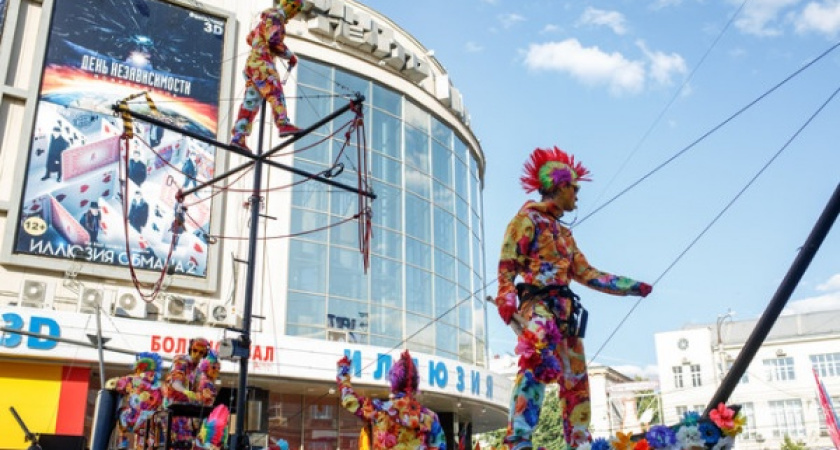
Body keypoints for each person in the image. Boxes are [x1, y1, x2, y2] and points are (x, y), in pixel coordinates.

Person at [495, 146, 653, 450]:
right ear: (560, 186)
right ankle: (519, 440)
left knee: (577, 379)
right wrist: (506, 301)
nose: (577, 195)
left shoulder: (564, 235)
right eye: (574, 188)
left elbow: (588, 273)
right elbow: (507, 267)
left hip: (566, 315)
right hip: (538, 307)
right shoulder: (526, 220)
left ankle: (579, 441)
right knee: (536, 359)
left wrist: (631, 286)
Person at [337, 350, 447, 450]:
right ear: (415, 384)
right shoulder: (430, 417)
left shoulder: (377, 409)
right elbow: (440, 446)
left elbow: (349, 400)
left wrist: (343, 373)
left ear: (393, 381)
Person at [230, 0, 303, 150]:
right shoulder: (276, 17)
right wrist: (289, 56)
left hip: (252, 64)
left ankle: (238, 136)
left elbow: (250, 38)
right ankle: (283, 124)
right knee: (275, 91)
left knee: (251, 102)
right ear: (289, 5)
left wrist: (260, 43)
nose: (294, 13)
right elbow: (274, 40)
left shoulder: (266, 17)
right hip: (262, 63)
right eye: (295, 9)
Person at [106, 352, 164, 449]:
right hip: (150, 422)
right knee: (145, 439)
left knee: (121, 413)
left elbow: (114, 384)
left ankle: (122, 441)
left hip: (132, 419)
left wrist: (112, 385)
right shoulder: (158, 386)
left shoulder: (135, 380)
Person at [163, 337, 209, 444]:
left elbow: (196, 389)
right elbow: (175, 383)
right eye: (195, 350)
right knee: (175, 441)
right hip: (172, 408)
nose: (197, 354)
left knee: (186, 441)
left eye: (201, 352)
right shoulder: (181, 361)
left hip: (184, 410)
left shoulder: (196, 370)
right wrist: (186, 391)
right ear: (190, 349)